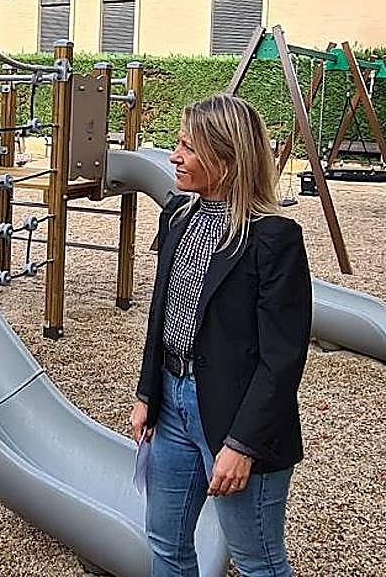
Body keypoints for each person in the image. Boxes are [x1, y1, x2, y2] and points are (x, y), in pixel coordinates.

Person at [130, 94, 312, 577]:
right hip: (172, 402)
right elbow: (162, 313)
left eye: (188, 148)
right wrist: (148, 393)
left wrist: (243, 444)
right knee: (165, 542)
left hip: (236, 415)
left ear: (227, 160)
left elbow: (282, 358)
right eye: (177, 144)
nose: (175, 157)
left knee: (257, 560)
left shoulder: (273, 239)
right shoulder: (178, 216)